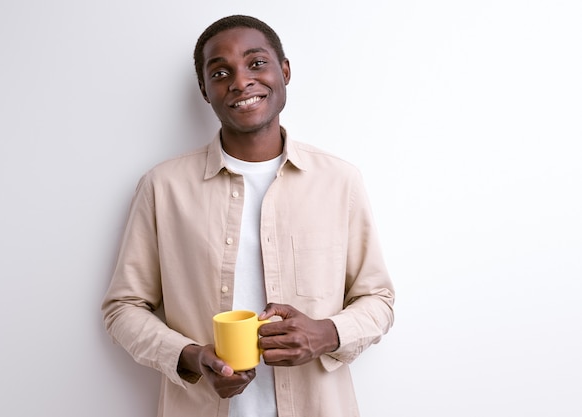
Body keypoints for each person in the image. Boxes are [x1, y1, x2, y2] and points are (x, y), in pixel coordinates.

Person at [101, 14, 395, 417]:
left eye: (256, 63)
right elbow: (123, 308)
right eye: (221, 72)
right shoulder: (162, 187)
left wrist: (327, 334)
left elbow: (378, 298)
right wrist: (190, 356)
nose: (240, 81)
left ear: (285, 71)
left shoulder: (339, 180)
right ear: (205, 91)